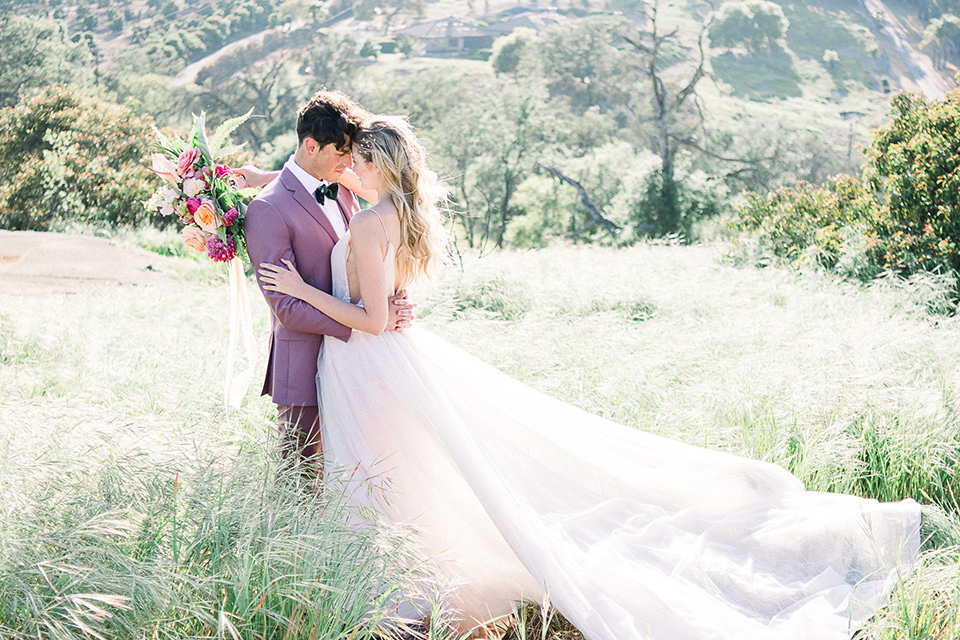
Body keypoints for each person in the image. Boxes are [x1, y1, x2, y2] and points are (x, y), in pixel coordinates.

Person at [257, 114, 922, 640]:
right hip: (370, 365)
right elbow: (347, 253)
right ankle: (403, 585)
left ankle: (406, 591)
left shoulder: (372, 221)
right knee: (404, 474)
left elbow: (373, 318)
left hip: (366, 362)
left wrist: (300, 290)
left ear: (380, 166)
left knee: (391, 473)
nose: (347, 167)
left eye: (358, 159)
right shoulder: (392, 213)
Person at [243, 90, 413, 469]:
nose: (350, 162)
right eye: (341, 152)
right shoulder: (266, 210)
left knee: (365, 470)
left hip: (359, 364)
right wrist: (371, 320)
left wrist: (390, 303)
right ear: (311, 145)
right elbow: (287, 308)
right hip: (305, 362)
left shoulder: (340, 184)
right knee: (301, 480)